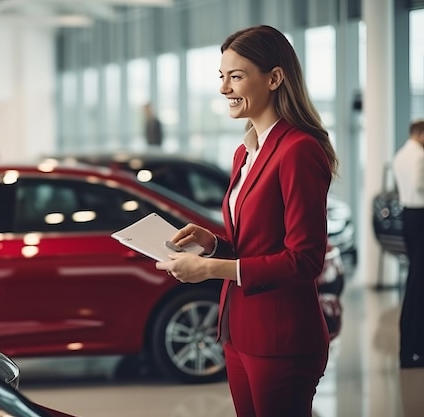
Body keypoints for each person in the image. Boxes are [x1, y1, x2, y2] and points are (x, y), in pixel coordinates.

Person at [155, 25, 338, 417]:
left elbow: (305, 259)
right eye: (222, 77)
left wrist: (209, 268)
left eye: (235, 76)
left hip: (281, 337)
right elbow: (255, 244)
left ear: (274, 78)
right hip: (239, 331)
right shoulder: (246, 151)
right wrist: (212, 244)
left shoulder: (298, 150)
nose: (224, 89)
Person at [392, 119, 424, 369]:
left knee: (415, 280)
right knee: (418, 284)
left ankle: (409, 348)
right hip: (421, 215)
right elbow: (420, 185)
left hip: (408, 216)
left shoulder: (401, 154)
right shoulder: (419, 156)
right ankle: (414, 349)